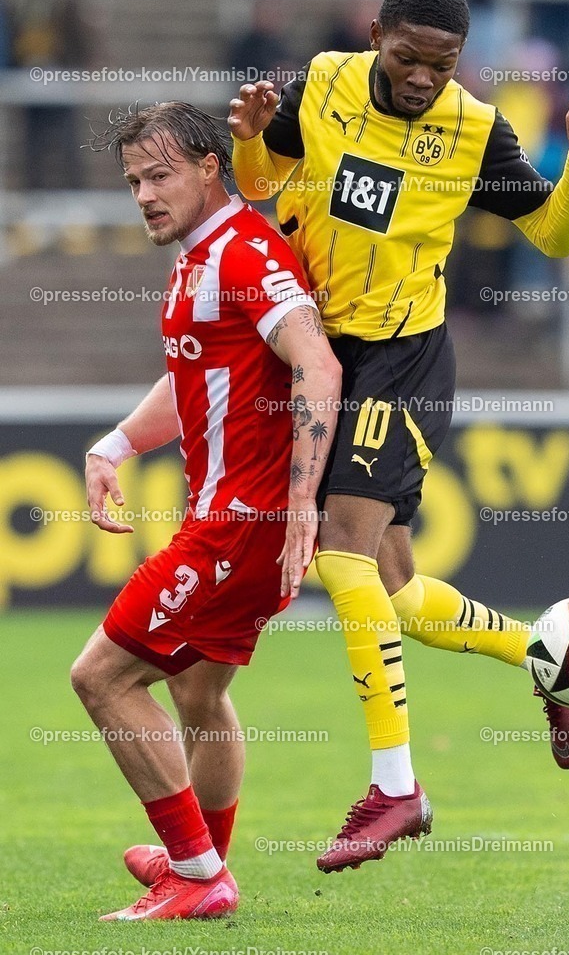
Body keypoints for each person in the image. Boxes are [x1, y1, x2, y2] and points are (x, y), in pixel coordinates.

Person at [228, 0, 569, 873]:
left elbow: (554, 238)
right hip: (321, 359)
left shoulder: (474, 129)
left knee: (340, 552)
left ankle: (396, 788)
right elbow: (261, 184)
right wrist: (249, 139)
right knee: (395, 592)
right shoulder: (322, 81)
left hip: (402, 358)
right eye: (407, 58)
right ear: (376, 35)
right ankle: (547, 659)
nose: (420, 78)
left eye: (440, 66)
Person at [72, 101, 341, 919]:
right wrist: (114, 446)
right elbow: (193, 371)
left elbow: (318, 363)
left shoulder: (244, 252)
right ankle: (203, 859)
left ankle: (195, 875)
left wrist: (301, 501)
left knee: (102, 678)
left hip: (241, 526)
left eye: (159, 176)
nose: (145, 195)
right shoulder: (199, 260)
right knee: (196, 692)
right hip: (232, 519)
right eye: (133, 182)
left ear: (208, 167)